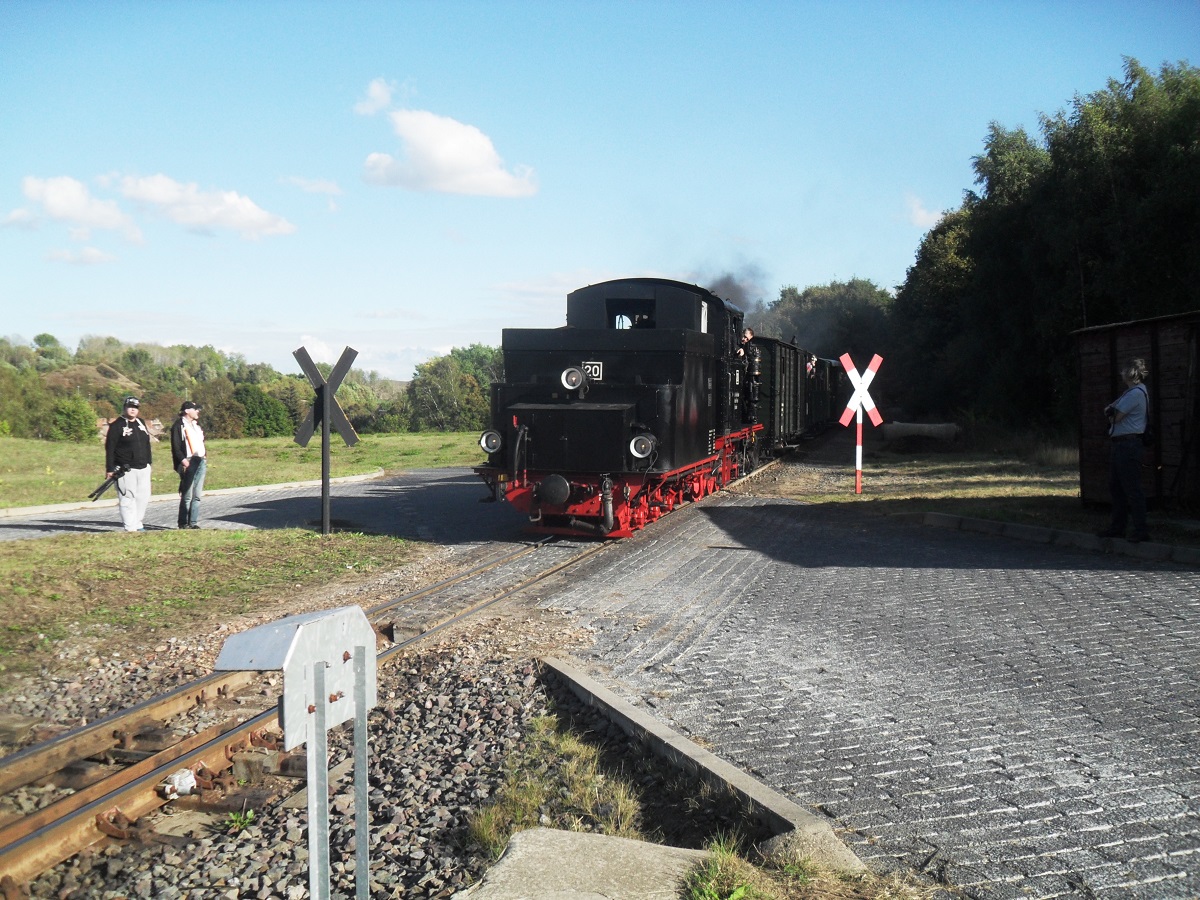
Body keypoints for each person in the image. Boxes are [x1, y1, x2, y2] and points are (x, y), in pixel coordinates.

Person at [1099, 358, 1150, 542]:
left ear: (1130, 373)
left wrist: (1111, 413)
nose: (1121, 373)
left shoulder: (1134, 394)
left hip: (1128, 445)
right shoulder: (1130, 393)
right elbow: (1110, 410)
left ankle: (1140, 530)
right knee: (1117, 487)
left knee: (1132, 488)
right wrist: (1111, 412)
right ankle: (1118, 527)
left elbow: (1115, 417)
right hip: (1122, 444)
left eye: (1123, 371)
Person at [104, 396, 152, 532]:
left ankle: (137, 523)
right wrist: (110, 468)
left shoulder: (141, 423)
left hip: (143, 467)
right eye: (130, 406)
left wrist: (149, 463)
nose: (133, 409)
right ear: (124, 408)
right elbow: (110, 448)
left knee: (143, 497)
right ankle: (130, 528)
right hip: (125, 469)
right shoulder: (116, 426)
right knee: (127, 497)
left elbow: (147, 444)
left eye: (135, 407)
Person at [170, 400, 207, 529]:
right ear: (187, 411)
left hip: (200, 460)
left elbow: (201, 442)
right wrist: (183, 461)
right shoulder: (178, 426)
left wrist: (204, 456)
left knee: (197, 495)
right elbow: (176, 447)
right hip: (189, 461)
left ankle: (193, 522)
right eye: (194, 409)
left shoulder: (196, 425)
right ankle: (183, 523)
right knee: (187, 495)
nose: (197, 411)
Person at [736, 328, 761, 423]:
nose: (745, 340)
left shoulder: (747, 347)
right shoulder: (738, 343)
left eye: (747, 339)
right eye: (744, 337)